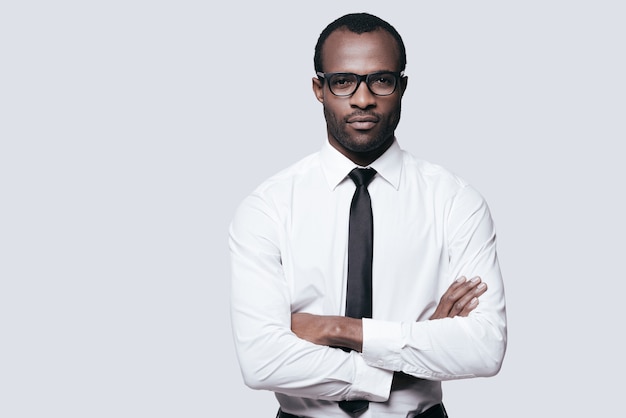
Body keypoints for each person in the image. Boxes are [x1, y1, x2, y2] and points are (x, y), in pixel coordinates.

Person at [229, 12, 507, 418]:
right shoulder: (267, 208)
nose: (362, 98)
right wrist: (413, 353)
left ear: (402, 87)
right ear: (318, 89)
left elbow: (483, 349)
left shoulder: (454, 201)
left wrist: (336, 329)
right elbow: (262, 361)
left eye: (381, 80)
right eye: (343, 81)